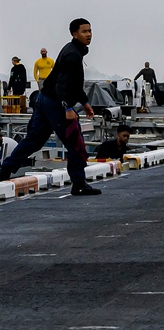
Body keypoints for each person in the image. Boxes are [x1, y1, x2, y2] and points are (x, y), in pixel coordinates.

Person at [0, 18, 99, 196]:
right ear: (74, 34)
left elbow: (74, 84)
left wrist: (84, 103)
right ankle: (79, 183)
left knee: (33, 140)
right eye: (84, 31)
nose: (89, 34)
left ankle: (4, 170)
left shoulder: (74, 50)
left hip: (44, 99)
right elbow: (63, 85)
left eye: (90, 30)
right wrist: (68, 108)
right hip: (56, 103)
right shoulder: (73, 55)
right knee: (76, 143)